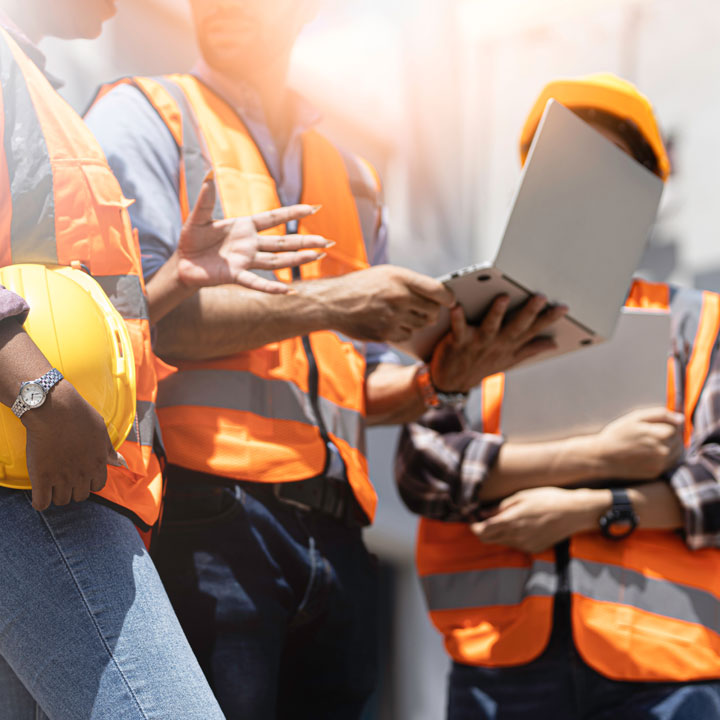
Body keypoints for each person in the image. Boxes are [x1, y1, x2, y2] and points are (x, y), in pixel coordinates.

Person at [85, 1, 566, 716]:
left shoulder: (353, 176)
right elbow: (141, 324)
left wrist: (443, 379)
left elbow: (358, 379)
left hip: (336, 541)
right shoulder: (145, 117)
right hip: (206, 518)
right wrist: (335, 302)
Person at [0, 0, 335, 717]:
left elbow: (68, 303)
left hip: (56, 473)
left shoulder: (29, 76)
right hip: (36, 482)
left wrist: (174, 279)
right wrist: (38, 391)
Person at [396, 73, 720, 720]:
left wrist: (581, 510)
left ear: (648, 194)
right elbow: (423, 468)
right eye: (565, 166)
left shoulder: (702, 325)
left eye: (610, 168)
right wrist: (602, 455)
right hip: (499, 667)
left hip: (666, 673)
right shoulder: (475, 316)